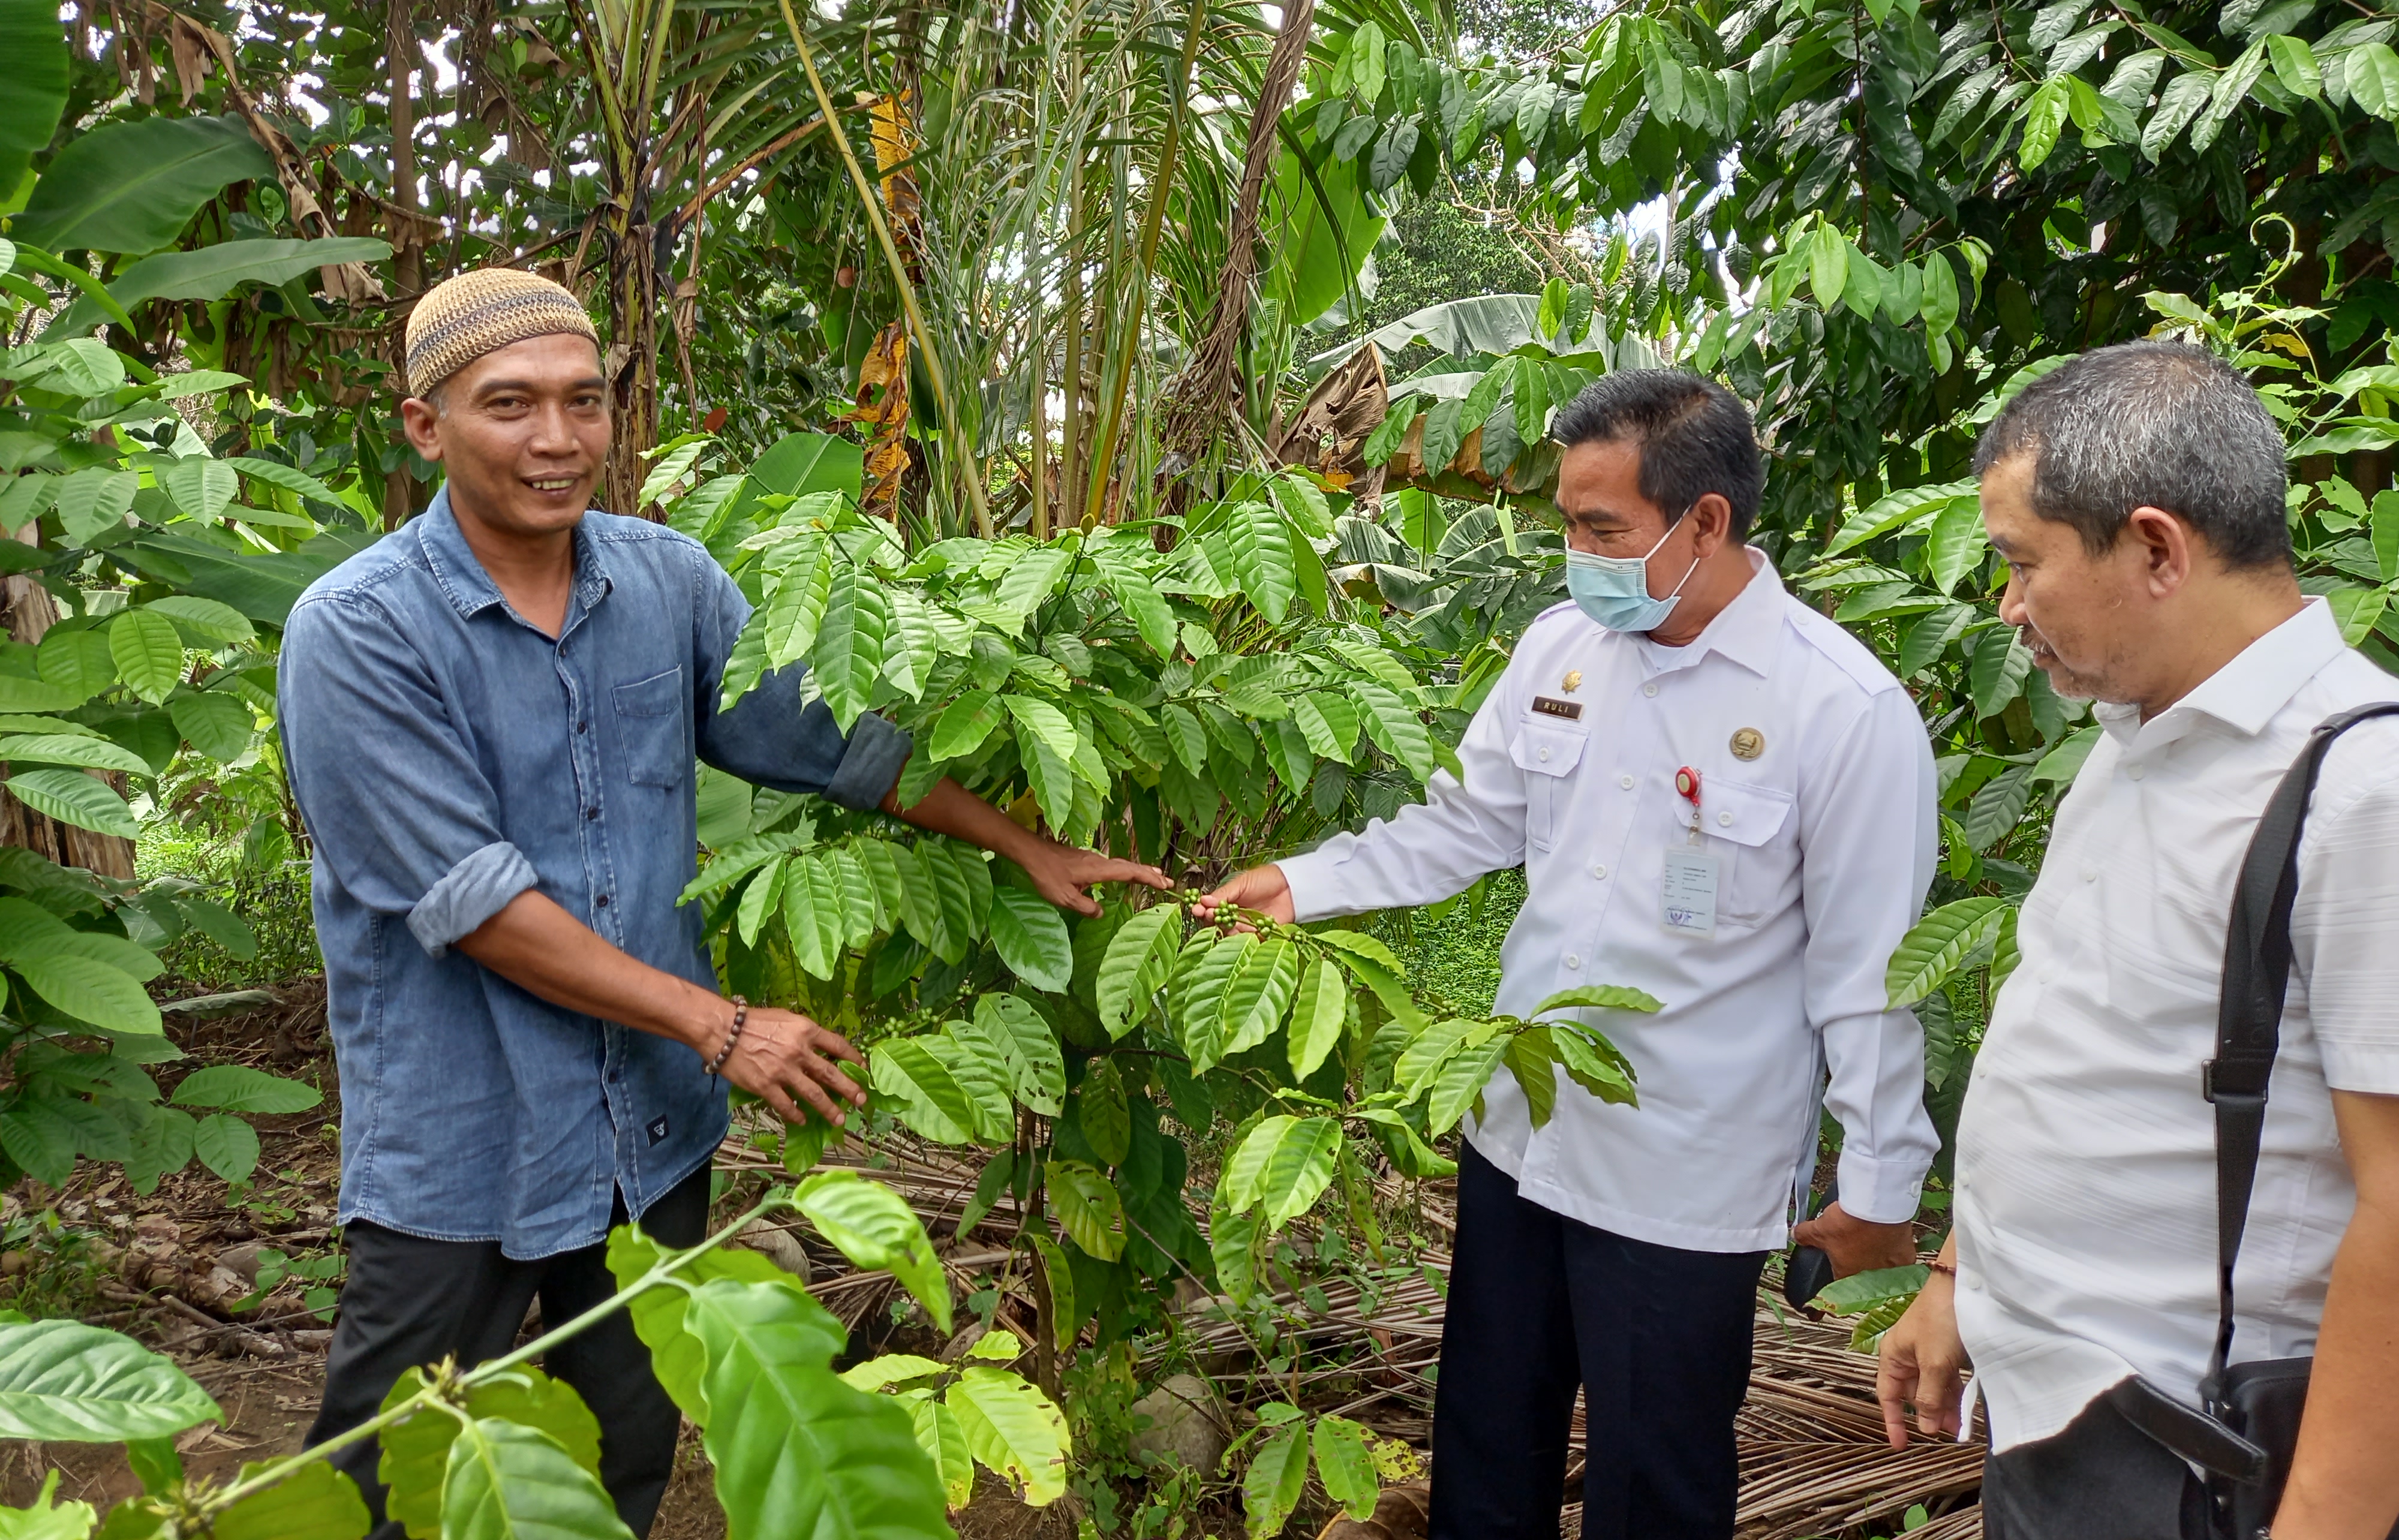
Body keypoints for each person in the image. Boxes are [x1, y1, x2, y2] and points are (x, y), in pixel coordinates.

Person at [281, 268, 1169, 1536]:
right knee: (384, 1473)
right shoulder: (357, 632)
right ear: (426, 427)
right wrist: (720, 1026)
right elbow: (474, 903)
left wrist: (1023, 844)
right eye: (509, 405)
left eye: (583, 402)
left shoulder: (667, 584)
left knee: (624, 1447)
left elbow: (832, 745)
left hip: (646, 1135)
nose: (555, 439)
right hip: (460, 1132)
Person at [1200, 369, 1941, 1540]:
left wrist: (1881, 1191)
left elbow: (1870, 981)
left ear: (1704, 522)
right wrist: (1304, 883)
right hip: (1518, 1135)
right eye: (1567, 524)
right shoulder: (1563, 649)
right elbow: (1464, 824)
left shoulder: (1839, 713)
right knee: (1484, 1457)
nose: (1575, 556)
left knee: (1653, 1490)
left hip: (1682, 1179)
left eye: (1603, 530)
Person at [1875, 344, 2399, 1540]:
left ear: (2156, 548)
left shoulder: (2354, 788)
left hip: (2191, 1462)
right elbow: (2083, 1035)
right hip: (2062, 1423)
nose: (2005, 606)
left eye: (2020, 564)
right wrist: (1962, 1276)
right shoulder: (2131, 737)